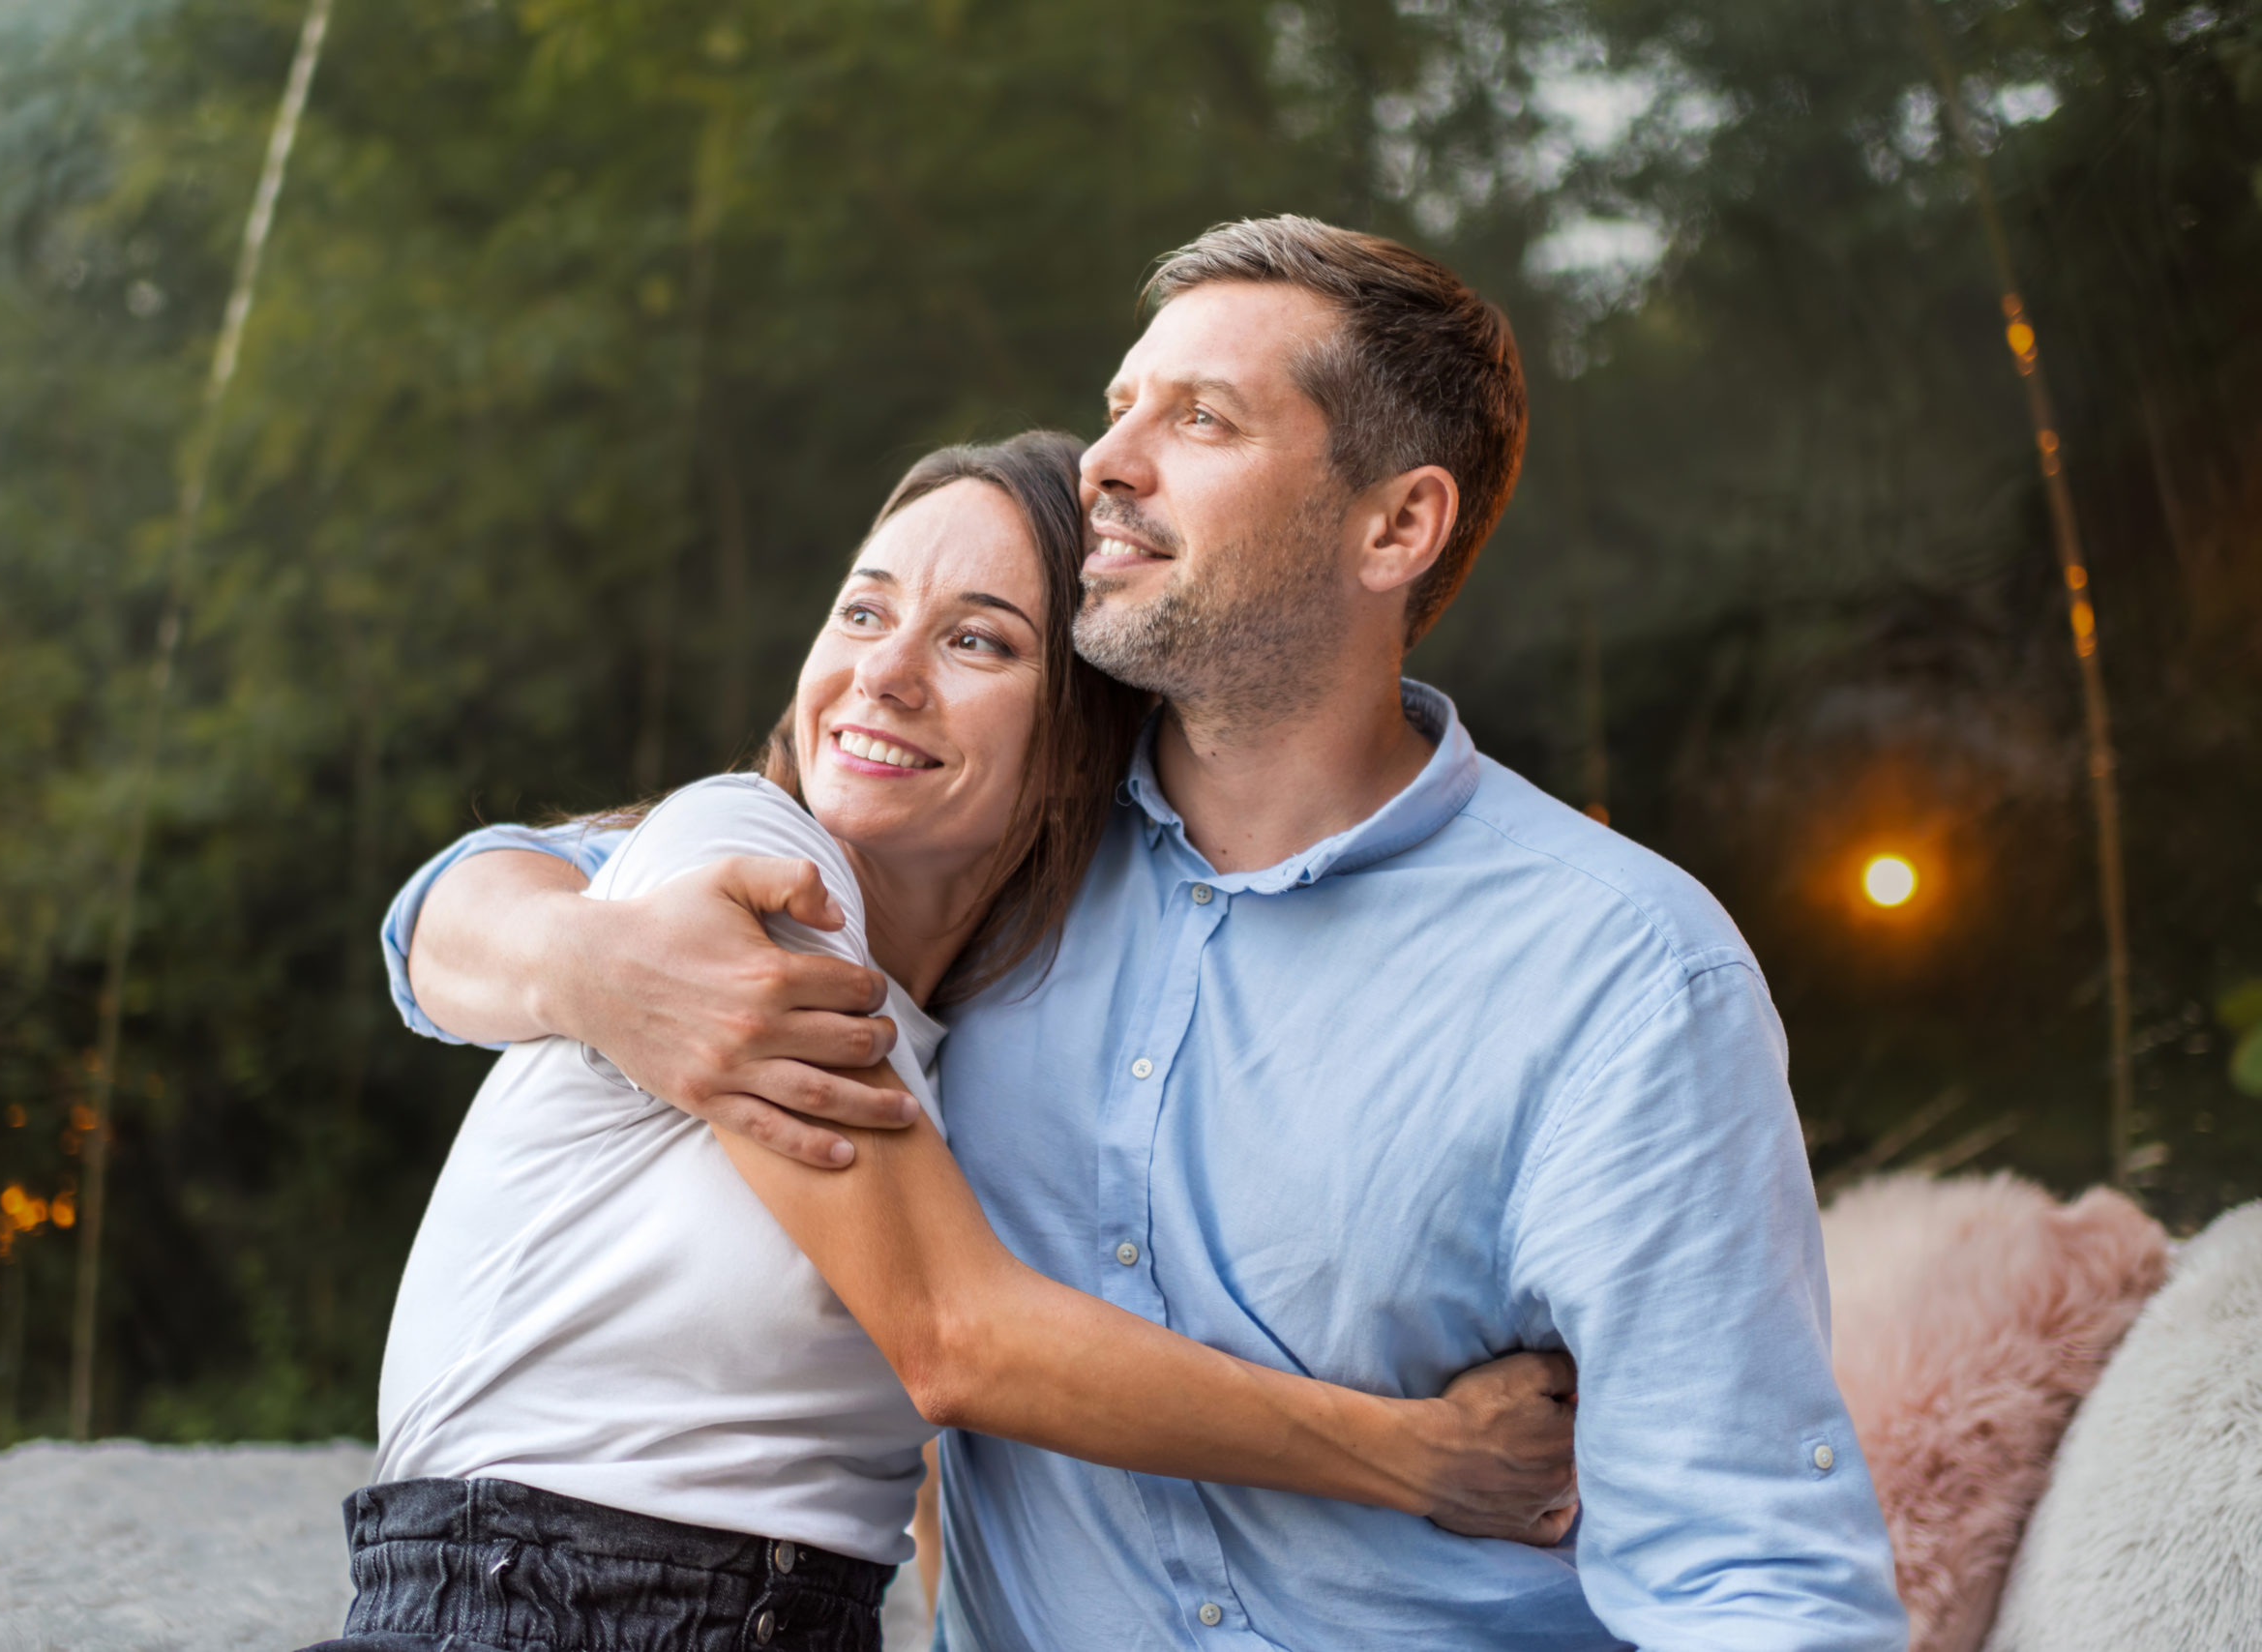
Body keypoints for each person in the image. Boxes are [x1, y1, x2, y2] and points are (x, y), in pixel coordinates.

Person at [386, 219, 1909, 1649]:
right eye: (1122, 407)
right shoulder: (972, 864)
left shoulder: (1622, 974)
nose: (1109, 463)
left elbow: (1749, 1565)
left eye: (1200, 420)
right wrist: (582, 962)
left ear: (1398, 525)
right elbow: (498, 882)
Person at [326, 432, 1580, 1652]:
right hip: (542, 1602)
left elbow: (933, 1447)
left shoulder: (981, 1029)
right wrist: (1422, 1457)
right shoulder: (748, 858)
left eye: (977, 639)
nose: (884, 672)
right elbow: (952, 1337)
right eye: (862, 614)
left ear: (1084, 728)